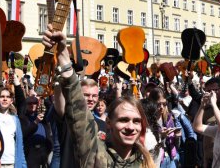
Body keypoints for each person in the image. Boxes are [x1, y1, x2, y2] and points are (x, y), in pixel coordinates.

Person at [43, 24, 154, 167]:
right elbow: (79, 115)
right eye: (123, 120)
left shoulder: (147, 162)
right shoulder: (97, 156)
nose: (131, 127)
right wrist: (64, 58)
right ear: (109, 123)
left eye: (136, 121)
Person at [0, 87, 27, 168]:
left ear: (11, 101)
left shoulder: (15, 119)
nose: (5, 99)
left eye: (8, 97)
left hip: (12, 163)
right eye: (2, 96)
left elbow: (20, 145)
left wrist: (23, 165)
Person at [148, 87, 181, 167]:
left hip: (170, 156)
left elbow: (177, 145)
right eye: (158, 104)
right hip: (157, 160)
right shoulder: (148, 121)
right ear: (152, 103)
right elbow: (148, 147)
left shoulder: (169, 118)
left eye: (164, 103)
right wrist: (161, 137)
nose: (162, 107)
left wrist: (177, 137)